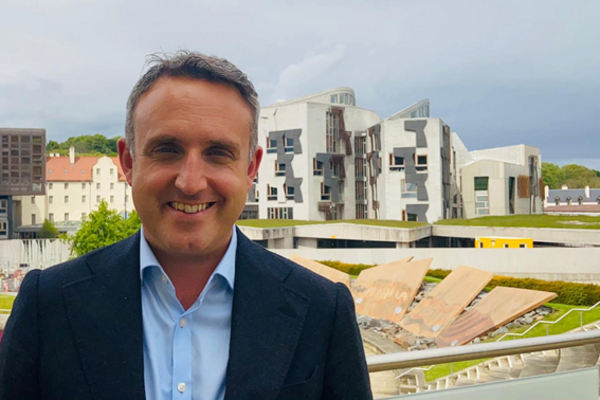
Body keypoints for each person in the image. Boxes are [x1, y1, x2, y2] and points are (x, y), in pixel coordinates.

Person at [0, 51, 372, 400]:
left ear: (250, 168)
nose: (191, 183)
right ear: (128, 162)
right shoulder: (47, 304)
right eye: (167, 150)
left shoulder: (323, 311)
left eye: (217, 153)